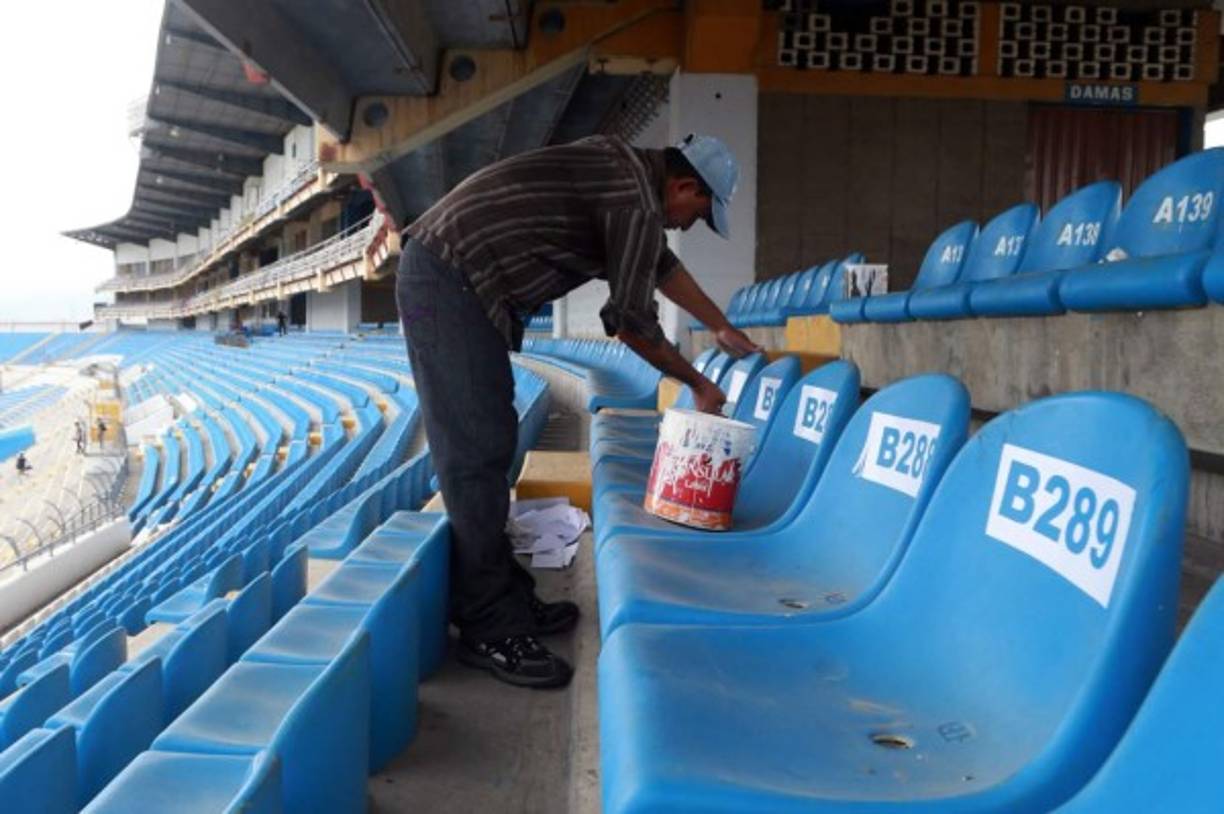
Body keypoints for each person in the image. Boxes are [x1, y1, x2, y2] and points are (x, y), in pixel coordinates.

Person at [397, 133, 760, 689]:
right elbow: (631, 324)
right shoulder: (635, 199)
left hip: (456, 276)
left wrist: (719, 324)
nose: (691, 222)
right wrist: (699, 384)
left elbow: (661, 268)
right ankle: (489, 627)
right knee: (476, 451)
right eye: (699, 211)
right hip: (449, 276)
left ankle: (506, 599)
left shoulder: (629, 177)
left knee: (490, 438)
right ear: (684, 185)